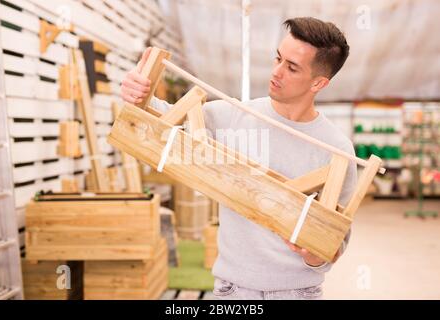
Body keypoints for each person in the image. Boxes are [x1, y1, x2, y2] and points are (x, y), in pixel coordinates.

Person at [121, 17, 357, 300]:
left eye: (291, 67)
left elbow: (336, 241)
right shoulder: (231, 115)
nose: (276, 72)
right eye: (278, 59)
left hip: (298, 292)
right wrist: (137, 92)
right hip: (232, 291)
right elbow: (160, 117)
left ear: (319, 83)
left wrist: (316, 256)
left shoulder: (337, 149)